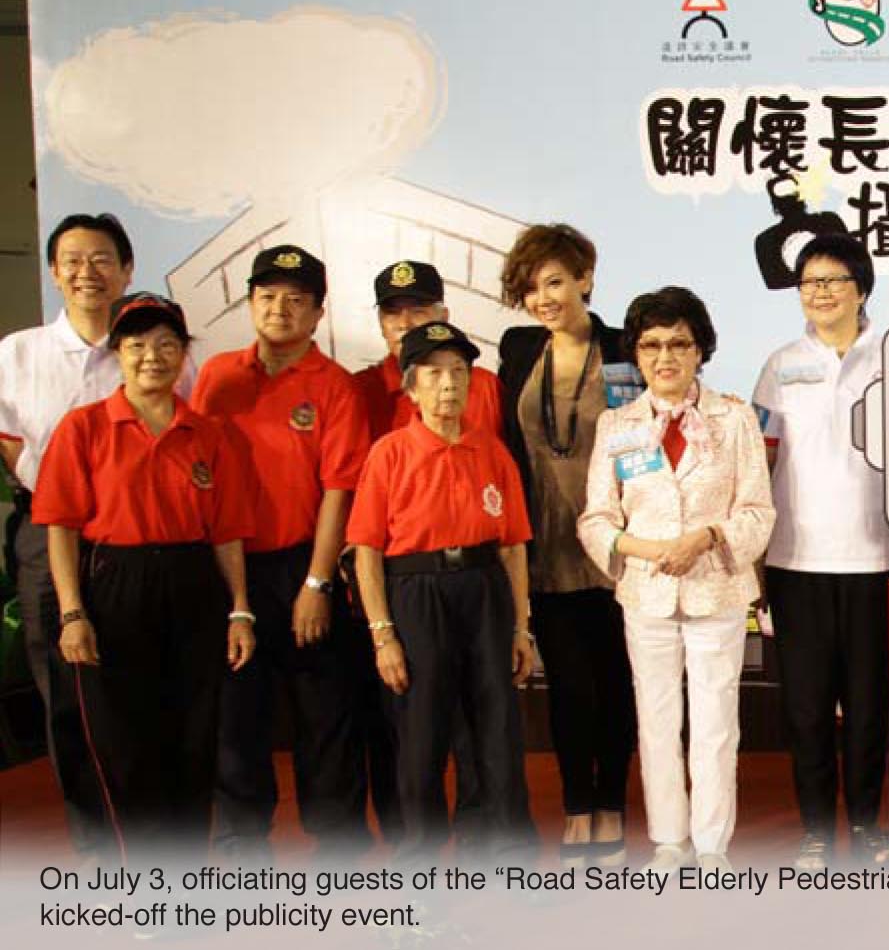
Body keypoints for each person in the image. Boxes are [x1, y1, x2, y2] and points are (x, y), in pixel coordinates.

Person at [0, 214, 196, 860]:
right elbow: (9, 443)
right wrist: (59, 494)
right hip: (47, 531)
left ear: (127, 269)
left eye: (103, 258)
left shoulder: (150, 347)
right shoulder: (17, 353)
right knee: (69, 694)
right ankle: (98, 850)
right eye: (73, 260)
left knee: (150, 691)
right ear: (54, 271)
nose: (88, 272)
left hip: (141, 543)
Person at [31, 294, 254, 858]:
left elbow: (227, 532)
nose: (151, 356)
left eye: (166, 344)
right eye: (136, 345)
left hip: (192, 585)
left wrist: (239, 610)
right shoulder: (84, 428)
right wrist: (73, 613)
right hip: (113, 585)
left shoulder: (208, 433)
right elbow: (60, 527)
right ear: (117, 353)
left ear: (184, 354)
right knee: (124, 742)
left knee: (193, 736)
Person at [579, 287, 775, 874]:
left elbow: (757, 513)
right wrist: (645, 548)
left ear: (700, 351)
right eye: (651, 345)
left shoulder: (735, 418)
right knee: (656, 720)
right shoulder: (616, 424)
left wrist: (707, 537)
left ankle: (712, 847)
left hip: (717, 590)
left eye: (679, 344)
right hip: (646, 593)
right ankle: (669, 841)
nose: (665, 357)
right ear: (636, 355)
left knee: (716, 723)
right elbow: (596, 519)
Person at [191, 245, 370, 859]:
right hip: (230, 568)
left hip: (302, 565)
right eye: (267, 297)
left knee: (325, 713)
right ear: (249, 304)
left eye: (296, 299)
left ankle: (339, 846)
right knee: (237, 714)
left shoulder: (334, 386)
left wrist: (317, 584)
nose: (279, 309)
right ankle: (241, 844)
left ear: (318, 312)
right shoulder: (217, 376)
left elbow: (339, 490)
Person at [348, 321, 535, 864]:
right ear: (411, 388)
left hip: (484, 590)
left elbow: (513, 547)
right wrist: (382, 634)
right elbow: (366, 552)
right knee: (421, 731)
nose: (449, 384)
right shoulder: (389, 453)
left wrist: (521, 627)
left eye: (459, 372)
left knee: (496, 726)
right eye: (434, 374)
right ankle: (421, 861)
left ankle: (505, 852)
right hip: (415, 593)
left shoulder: (492, 451)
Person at [751, 233, 889, 870]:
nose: (821, 292)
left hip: (876, 558)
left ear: (861, 288)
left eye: (835, 280)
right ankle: (816, 829)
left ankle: (865, 825)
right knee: (806, 707)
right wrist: (753, 557)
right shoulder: (780, 364)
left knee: (869, 706)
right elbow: (759, 461)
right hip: (796, 561)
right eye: (811, 282)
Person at [496, 224, 639, 865]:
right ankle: (578, 806)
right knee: (570, 689)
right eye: (530, 288)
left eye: (554, 282)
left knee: (615, 684)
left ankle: (612, 806)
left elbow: (648, 441)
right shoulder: (520, 349)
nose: (542, 298)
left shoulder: (624, 348)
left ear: (585, 278)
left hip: (616, 545)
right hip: (545, 546)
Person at [351, 260, 503, 441]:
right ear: (381, 323)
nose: (404, 324)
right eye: (392, 313)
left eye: (418, 311)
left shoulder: (483, 387)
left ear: (443, 318)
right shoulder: (360, 391)